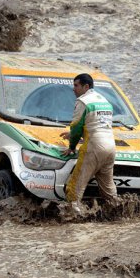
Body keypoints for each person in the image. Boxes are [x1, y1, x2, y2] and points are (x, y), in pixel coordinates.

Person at [60, 73, 118, 216]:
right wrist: (76, 133)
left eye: (76, 85)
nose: (73, 89)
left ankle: (73, 220)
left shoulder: (83, 101)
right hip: (110, 147)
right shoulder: (104, 101)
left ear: (86, 86)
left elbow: (75, 127)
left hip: (93, 148)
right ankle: (118, 213)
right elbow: (97, 124)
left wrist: (72, 147)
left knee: (75, 187)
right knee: (109, 190)